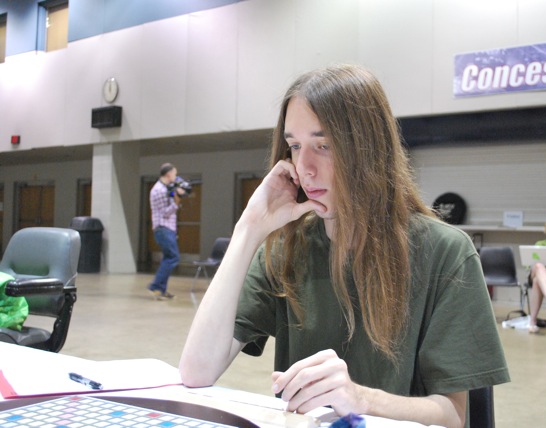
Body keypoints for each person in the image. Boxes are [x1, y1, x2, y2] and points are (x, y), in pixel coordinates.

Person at [179, 64, 509, 427]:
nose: (304, 167)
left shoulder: (445, 252)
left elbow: (453, 415)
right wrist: (248, 229)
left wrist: (361, 399)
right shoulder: (287, 249)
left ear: (368, 149)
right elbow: (197, 372)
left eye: (323, 145)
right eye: (294, 146)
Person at [148, 163, 185, 300]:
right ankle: (156, 286)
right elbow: (165, 212)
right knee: (173, 257)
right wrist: (177, 200)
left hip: (167, 228)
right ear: (169, 174)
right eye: (175, 174)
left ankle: (161, 290)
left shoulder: (166, 188)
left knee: (168, 257)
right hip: (163, 228)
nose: (176, 177)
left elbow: (171, 197)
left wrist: (177, 193)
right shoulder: (159, 190)